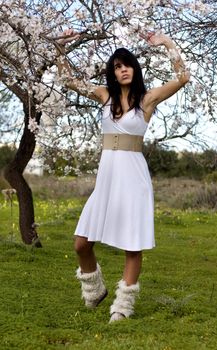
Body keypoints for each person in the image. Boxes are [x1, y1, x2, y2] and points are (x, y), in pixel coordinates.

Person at [55, 29, 190, 323]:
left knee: (132, 243)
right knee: (81, 243)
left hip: (133, 178)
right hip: (106, 180)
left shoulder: (147, 99)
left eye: (127, 64)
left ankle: (123, 306)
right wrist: (59, 50)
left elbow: (182, 78)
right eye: (117, 66)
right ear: (113, 73)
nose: (123, 69)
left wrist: (167, 43)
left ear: (134, 69)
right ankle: (94, 289)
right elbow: (68, 81)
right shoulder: (104, 96)